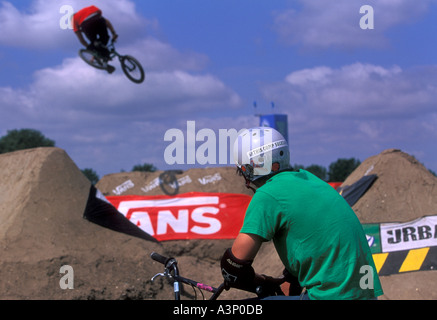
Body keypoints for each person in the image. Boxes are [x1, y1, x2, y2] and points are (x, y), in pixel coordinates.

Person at [220, 127, 384, 300]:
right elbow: (314, 242)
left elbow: (233, 267)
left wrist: (263, 282)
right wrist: (284, 281)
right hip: (364, 293)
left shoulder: (267, 194)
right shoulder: (310, 180)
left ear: (247, 169)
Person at [72, 5, 118, 73]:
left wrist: (90, 48)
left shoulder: (74, 20)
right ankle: (101, 53)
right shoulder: (86, 10)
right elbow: (106, 22)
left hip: (86, 24)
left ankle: (97, 49)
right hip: (97, 17)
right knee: (105, 38)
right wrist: (113, 33)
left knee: (94, 43)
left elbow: (81, 39)